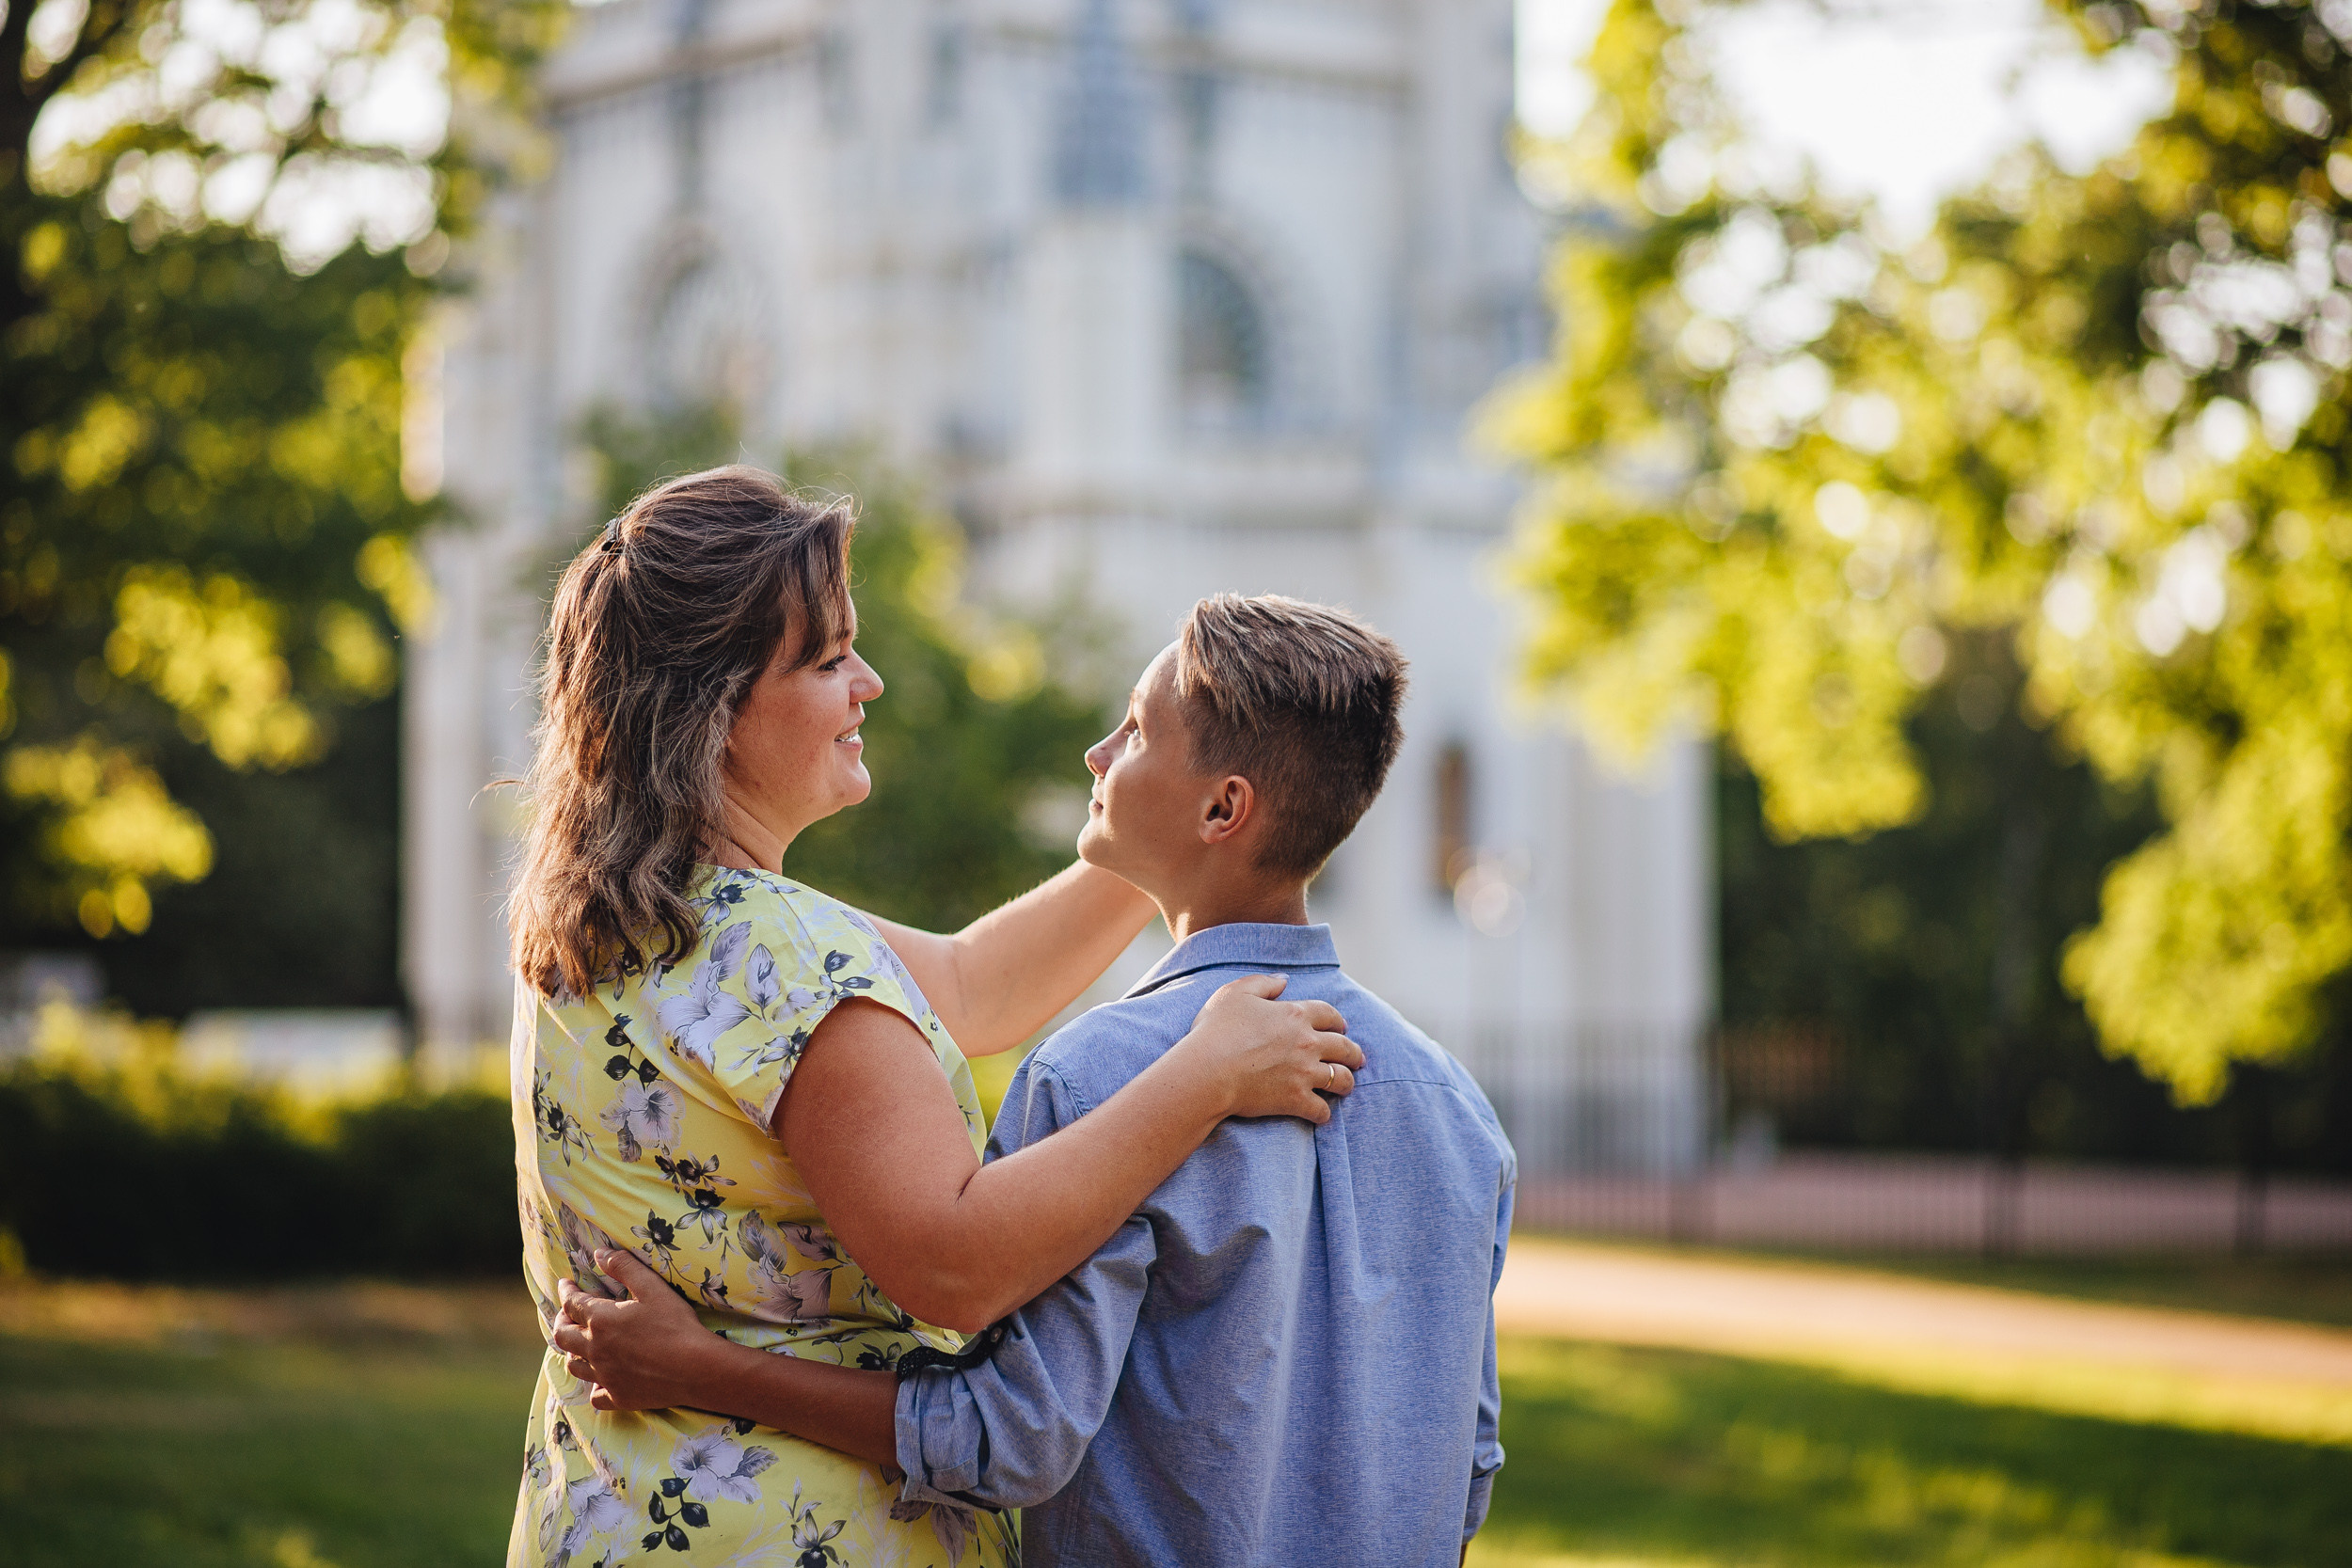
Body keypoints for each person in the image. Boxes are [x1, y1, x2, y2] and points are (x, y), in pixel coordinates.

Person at [504, 468, 1363, 1568]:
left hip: (602, 1517)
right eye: (825, 660)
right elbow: (955, 1264)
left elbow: (967, 990)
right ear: (709, 710)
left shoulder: (608, 927)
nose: (866, 681)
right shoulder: (781, 951)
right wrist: (1203, 1076)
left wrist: (1176, 838)